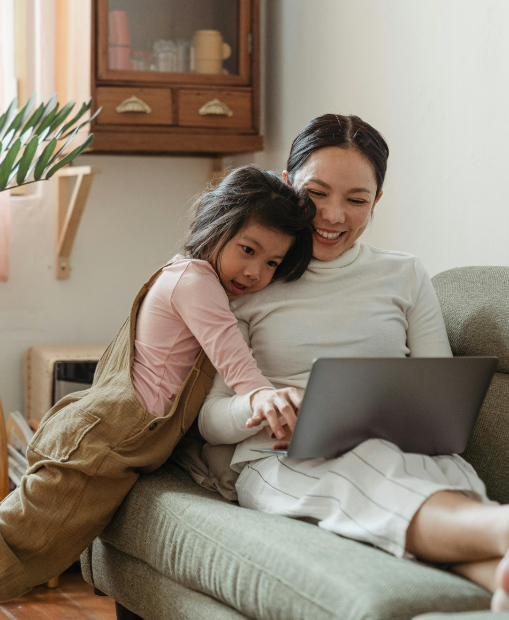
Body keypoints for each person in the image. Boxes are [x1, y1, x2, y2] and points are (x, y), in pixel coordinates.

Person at [198, 115, 509, 612]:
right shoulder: (254, 278)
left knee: (413, 469)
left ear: (376, 202)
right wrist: (262, 403)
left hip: (405, 448)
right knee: (373, 468)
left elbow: (442, 392)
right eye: (316, 194)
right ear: (286, 184)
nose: (333, 216)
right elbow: (210, 420)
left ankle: (498, 568)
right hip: (283, 459)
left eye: (357, 200)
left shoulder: (404, 274)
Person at [0, 165, 315, 602]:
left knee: (34, 548)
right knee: (20, 542)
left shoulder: (186, 275)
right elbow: (234, 360)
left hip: (115, 445)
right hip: (104, 443)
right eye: (247, 249)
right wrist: (265, 396)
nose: (255, 272)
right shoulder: (195, 283)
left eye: (272, 263)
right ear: (216, 224)